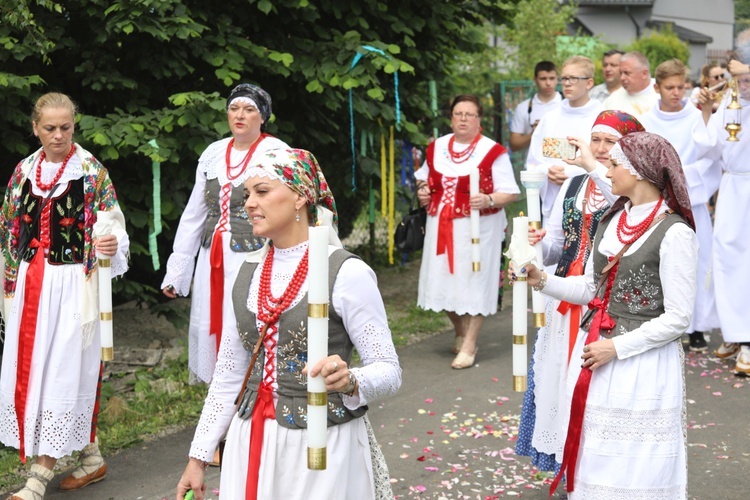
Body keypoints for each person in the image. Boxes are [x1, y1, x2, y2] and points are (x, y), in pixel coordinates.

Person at [175, 148, 401, 500]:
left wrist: (352, 380)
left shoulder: (347, 272)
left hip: (321, 446)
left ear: (299, 197)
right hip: (251, 441)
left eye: (262, 192)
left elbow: (389, 370)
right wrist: (198, 457)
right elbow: (228, 376)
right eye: (247, 193)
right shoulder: (247, 272)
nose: (249, 203)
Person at [517, 132, 697, 498]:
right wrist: (541, 280)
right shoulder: (612, 220)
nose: (606, 171)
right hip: (594, 350)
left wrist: (616, 348)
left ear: (641, 172)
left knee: (634, 461)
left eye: (614, 165)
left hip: (641, 362)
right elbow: (588, 289)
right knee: (595, 455)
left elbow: (678, 318)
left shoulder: (674, 232)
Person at [0, 92, 130, 499]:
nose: (58, 135)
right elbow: (8, 228)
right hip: (30, 287)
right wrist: (10, 271)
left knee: (63, 370)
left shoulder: (90, 171)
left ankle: (37, 480)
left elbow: (114, 226)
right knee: (38, 370)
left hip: (75, 286)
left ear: (75, 125)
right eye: (50, 128)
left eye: (66, 127)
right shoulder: (24, 171)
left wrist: (111, 246)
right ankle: (91, 457)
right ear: (35, 128)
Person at [515, 110, 644, 472]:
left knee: (591, 383)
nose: (601, 149)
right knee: (557, 375)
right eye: (596, 140)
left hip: (603, 300)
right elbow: (558, 245)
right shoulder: (573, 185)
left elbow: (620, 203)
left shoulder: (631, 188)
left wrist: (589, 165)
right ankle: (562, 464)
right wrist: (535, 248)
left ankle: (594, 469)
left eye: (611, 143)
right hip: (563, 294)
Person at [161, 83, 288, 384]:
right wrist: (178, 270)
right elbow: (195, 213)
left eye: (248, 109)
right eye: (234, 108)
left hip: (255, 257)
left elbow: (286, 209)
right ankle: (220, 403)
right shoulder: (213, 154)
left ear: (263, 117)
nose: (239, 115)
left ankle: (253, 398)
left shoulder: (277, 152)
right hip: (212, 256)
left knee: (245, 320)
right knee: (212, 321)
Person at [415, 95, 520, 369]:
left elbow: (510, 191)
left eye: (469, 114)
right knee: (443, 280)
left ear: (479, 120)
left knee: (475, 281)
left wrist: (488, 199)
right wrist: (423, 191)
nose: (463, 118)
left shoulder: (492, 151)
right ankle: (460, 330)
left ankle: (470, 343)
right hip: (441, 226)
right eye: (458, 113)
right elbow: (422, 179)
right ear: (451, 117)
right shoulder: (436, 147)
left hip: (480, 228)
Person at [640, 59, 721, 352]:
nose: (676, 93)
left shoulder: (697, 116)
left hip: (693, 203)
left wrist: (679, 175)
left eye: (681, 86)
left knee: (698, 265)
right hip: (657, 204)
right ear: (657, 87)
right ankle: (664, 324)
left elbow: (711, 157)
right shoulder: (646, 121)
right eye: (669, 87)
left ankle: (697, 327)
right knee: (659, 264)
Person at [694, 41, 750, 374]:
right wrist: (704, 112)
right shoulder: (729, 102)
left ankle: (747, 340)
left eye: (748, 80)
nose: (744, 87)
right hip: (733, 189)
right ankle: (735, 331)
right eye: (739, 80)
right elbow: (710, 150)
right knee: (728, 258)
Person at [526, 56, 603, 223]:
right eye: (564, 78)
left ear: (589, 83)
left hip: (590, 207)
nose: (567, 83)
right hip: (553, 205)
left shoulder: (601, 118)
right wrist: (547, 171)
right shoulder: (550, 118)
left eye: (574, 78)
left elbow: (607, 164)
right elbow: (532, 162)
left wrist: (570, 174)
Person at [509, 61, 562, 155]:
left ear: (557, 79)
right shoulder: (523, 107)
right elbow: (514, 145)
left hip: (563, 165)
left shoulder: (567, 105)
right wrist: (534, 133)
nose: (548, 83)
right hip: (533, 167)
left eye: (552, 78)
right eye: (543, 79)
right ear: (535, 80)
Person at [603, 51, 658, 117]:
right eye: (621, 73)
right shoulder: (612, 100)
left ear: (644, 74)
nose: (622, 78)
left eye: (627, 73)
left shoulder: (664, 92)